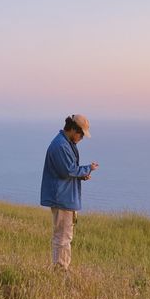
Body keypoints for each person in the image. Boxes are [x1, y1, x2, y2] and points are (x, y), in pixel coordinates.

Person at [40, 114, 99, 271]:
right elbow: (68, 170)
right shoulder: (61, 146)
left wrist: (82, 175)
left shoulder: (65, 143)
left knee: (64, 235)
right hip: (62, 198)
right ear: (73, 129)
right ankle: (60, 270)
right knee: (63, 237)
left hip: (64, 197)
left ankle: (61, 268)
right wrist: (88, 169)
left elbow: (68, 172)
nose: (81, 138)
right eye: (81, 134)